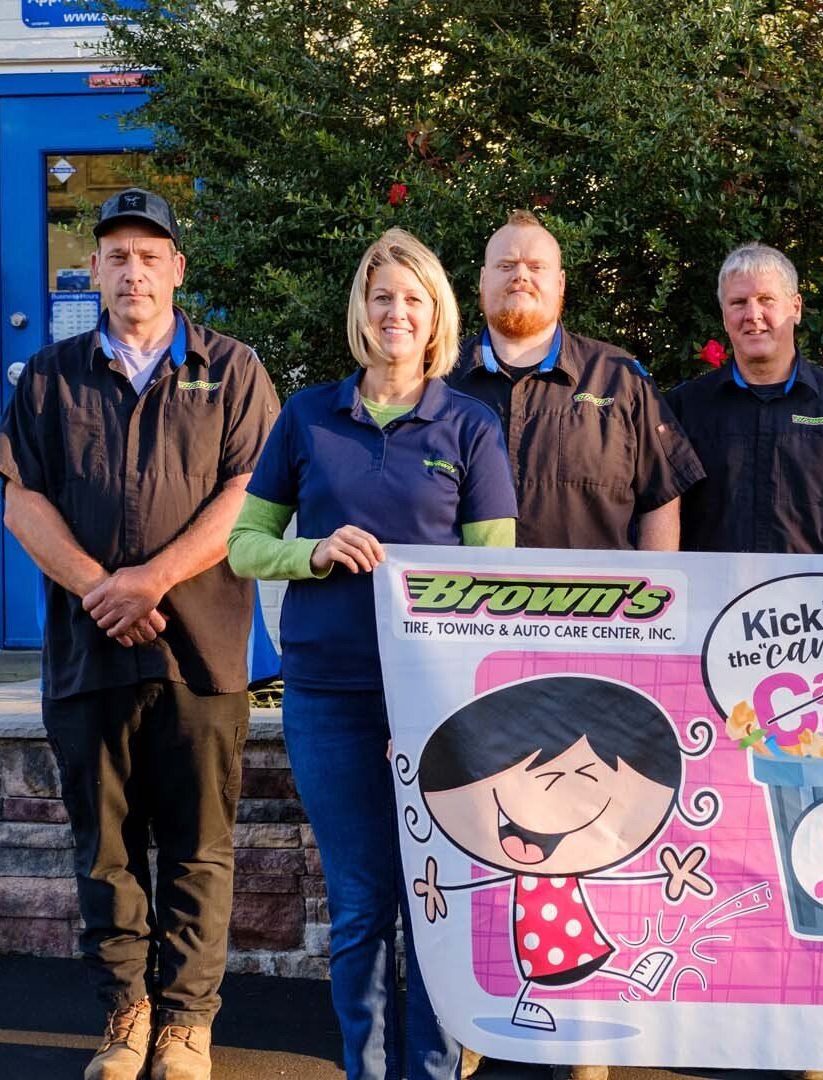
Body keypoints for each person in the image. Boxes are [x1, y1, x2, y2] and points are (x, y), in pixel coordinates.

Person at [0, 187, 279, 1080]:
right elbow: (20, 501)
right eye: (115, 254)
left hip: (203, 652)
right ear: (96, 272)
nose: (133, 269)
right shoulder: (49, 375)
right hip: (90, 653)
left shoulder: (233, 369)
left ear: (178, 270)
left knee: (198, 845)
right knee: (105, 848)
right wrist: (100, 590)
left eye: (150, 254)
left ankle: (189, 1024)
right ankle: (126, 1016)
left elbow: (248, 497)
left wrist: (150, 580)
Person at [227, 228, 517, 1080]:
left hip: (437, 704)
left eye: (413, 300)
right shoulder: (309, 415)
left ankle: (430, 1069)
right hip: (330, 696)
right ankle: (365, 1069)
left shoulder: (469, 423)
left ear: (437, 319)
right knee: (361, 906)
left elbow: (493, 572)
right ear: (362, 308)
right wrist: (311, 552)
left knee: (434, 900)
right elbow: (246, 546)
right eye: (382, 296)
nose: (396, 313)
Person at [448, 210, 704, 551]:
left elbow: (661, 498)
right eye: (506, 265)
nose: (520, 275)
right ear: (482, 280)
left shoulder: (619, 376)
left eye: (536, 267)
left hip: (599, 602)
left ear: (561, 283)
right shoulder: (439, 378)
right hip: (464, 602)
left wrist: (655, 590)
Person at [667, 242, 823, 555]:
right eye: (738, 302)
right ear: (724, 314)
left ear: (795, 307)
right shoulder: (684, 407)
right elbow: (661, 520)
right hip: (711, 601)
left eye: (766, 300)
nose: (752, 314)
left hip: (817, 602)